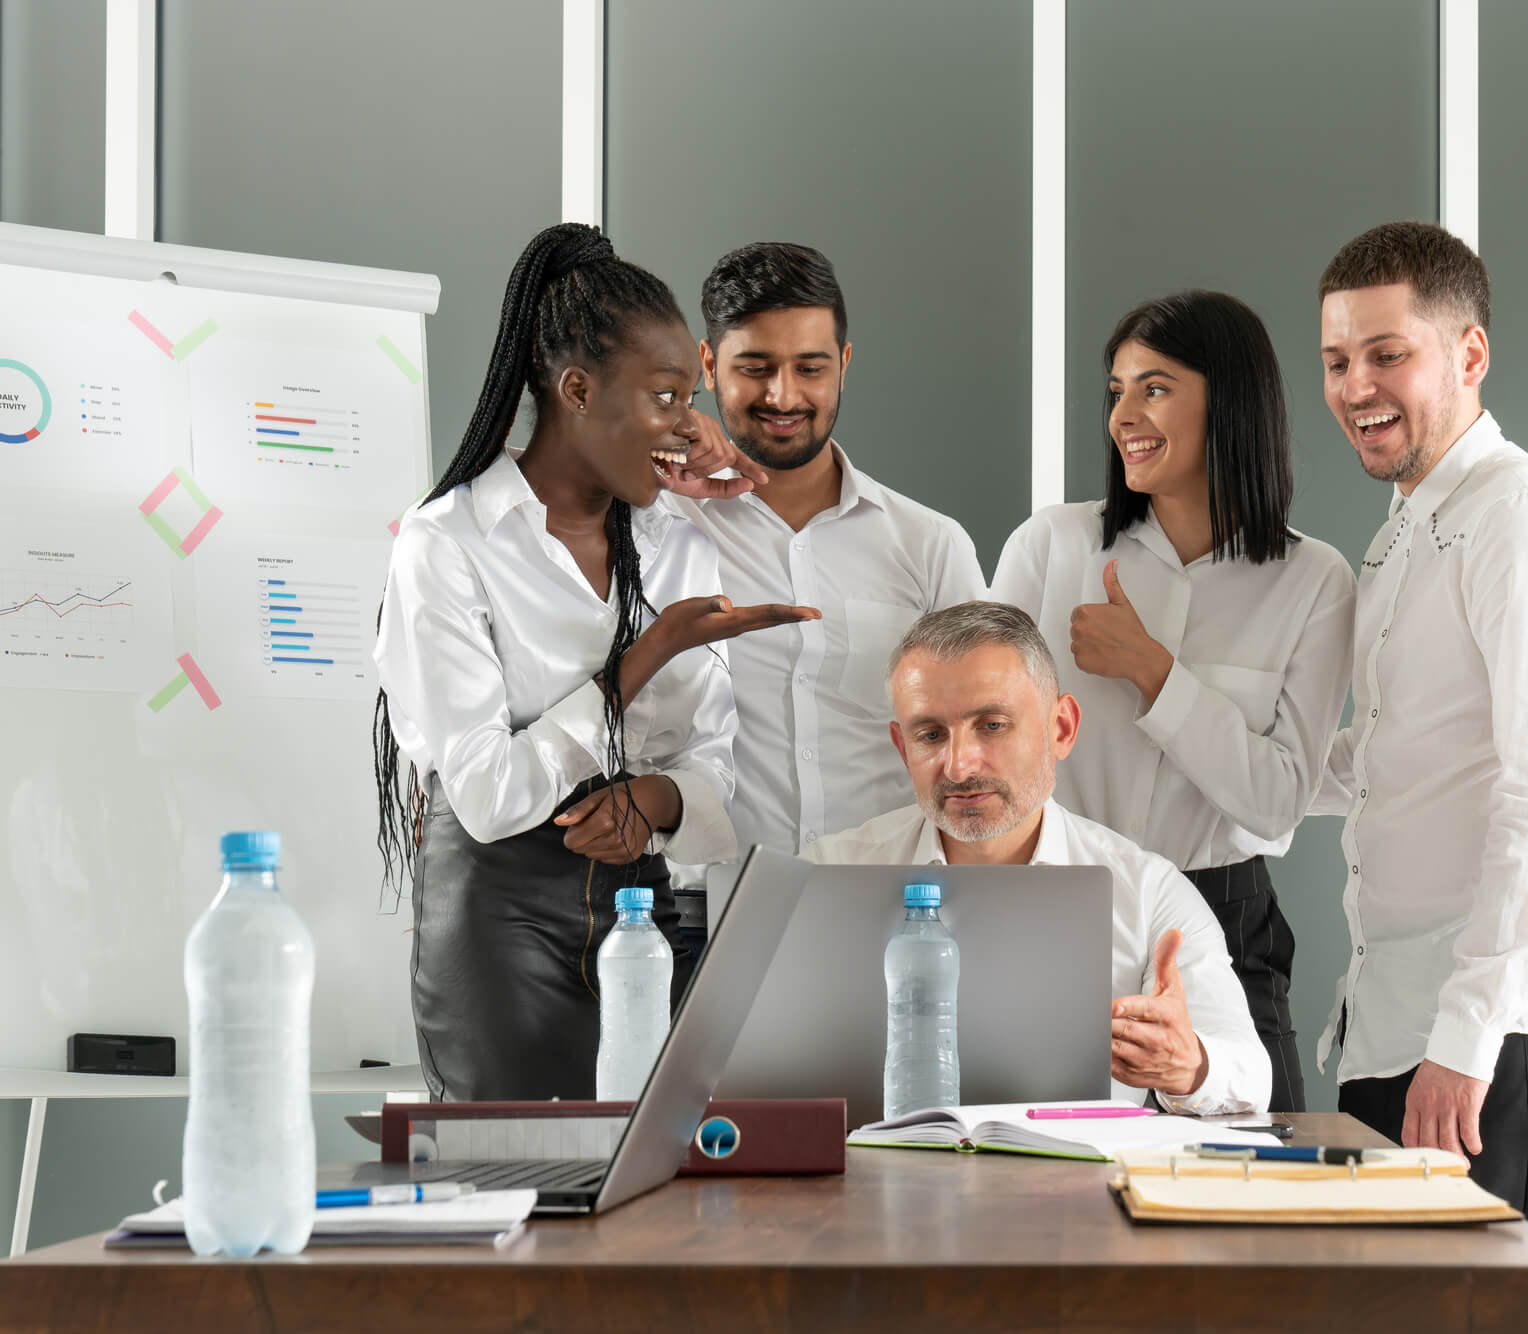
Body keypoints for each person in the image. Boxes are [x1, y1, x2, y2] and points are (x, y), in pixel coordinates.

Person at [372, 223, 817, 1102]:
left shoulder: (674, 540)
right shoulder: (450, 542)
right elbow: (490, 796)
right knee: (524, 1188)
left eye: (689, 397)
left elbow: (711, 756)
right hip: (499, 916)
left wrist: (652, 800)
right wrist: (641, 659)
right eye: (664, 396)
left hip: (644, 910)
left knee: (657, 1191)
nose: (689, 426)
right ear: (577, 389)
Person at [1311, 221, 1528, 1243]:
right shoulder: (1400, 534)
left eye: (1386, 354)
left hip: (1483, 1040)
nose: (1356, 386)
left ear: (1468, 353)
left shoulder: (1520, 513)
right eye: (1336, 360)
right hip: (1392, 1025)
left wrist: (1467, 1032)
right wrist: (1197, 741)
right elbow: (1390, 761)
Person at [989, 291, 1355, 1112]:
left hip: (1227, 914)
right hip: (1057, 905)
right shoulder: (1051, 547)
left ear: (1230, 400)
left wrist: (1155, 673)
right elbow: (983, 741)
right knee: (1044, 1179)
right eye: (1115, 390)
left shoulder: (1316, 582)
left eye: (1154, 387)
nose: (1124, 414)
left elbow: (1275, 804)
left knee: (1264, 1181)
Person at [808, 601, 1269, 1114]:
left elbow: (1252, 1074)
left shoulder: (1147, 891)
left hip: (1081, 1187)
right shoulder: (823, 877)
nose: (959, 767)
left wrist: (1189, 1065)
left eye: (993, 725)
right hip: (877, 1183)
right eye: (931, 735)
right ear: (902, 747)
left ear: (1062, 729)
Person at [665, 242, 985, 871]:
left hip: (893, 906)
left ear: (844, 363)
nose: (784, 397)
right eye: (755, 367)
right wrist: (658, 440)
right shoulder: (657, 521)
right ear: (707, 363)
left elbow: (980, 738)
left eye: (810, 368)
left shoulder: (929, 544)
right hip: (699, 909)